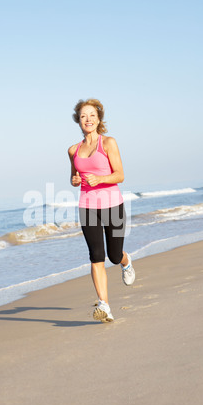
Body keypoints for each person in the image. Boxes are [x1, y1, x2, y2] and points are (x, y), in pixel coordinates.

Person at [68, 98, 135, 323]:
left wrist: (100, 179)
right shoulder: (73, 150)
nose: (88, 119)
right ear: (78, 120)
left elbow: (120, 175)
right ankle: (104, 305)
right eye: (84, 116)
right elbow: (73, 178)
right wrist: (75, 180)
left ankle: (126, 262)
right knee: (96, 256)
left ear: (98, 120)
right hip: (87, 207)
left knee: (113, 256)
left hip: (113, 205)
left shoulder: (108, 143)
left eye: (92, 116)